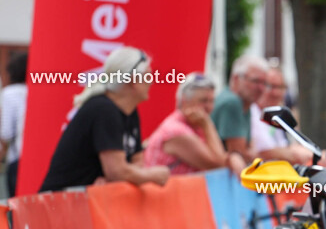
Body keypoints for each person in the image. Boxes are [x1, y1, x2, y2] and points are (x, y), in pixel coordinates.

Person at [39, 47, 170, 192]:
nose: (152, 82)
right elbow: (117, 171)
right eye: (148, 76)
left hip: (81, 201)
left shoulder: (129, 110)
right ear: (133, 80)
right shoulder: (103, 109)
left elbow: (135, 162)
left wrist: (124, 175)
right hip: (59, 203)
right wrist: (151, 175)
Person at [144, 73, 247, 176]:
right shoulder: (176, 130)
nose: (209, 107)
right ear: (185, 102)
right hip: (164, 191)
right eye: (203, 101)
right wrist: (208, 124)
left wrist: (233, 156)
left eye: (212, 101)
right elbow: (217, 163)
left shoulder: (195, 126)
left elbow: (219, 158)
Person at [212, 54, 293, 163]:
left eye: (264, 83)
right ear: (236, 79)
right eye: (255, 81)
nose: (261, 88)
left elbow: (250, 150)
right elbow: (240, 154)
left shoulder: (245, 103)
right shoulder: (232, 102)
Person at [249, 65, 312, 164]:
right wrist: (298, 154)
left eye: (280, 87)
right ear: (261, 86)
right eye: (272, 86)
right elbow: (265, 151)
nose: (276, 93)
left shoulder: (275, 115)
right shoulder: (253, 111)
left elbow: (283, 146)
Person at [1, 52, 27, 197]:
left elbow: (6, 132)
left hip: (17, 158)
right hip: (38, 157)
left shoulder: (10, 93)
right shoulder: (39, 91)